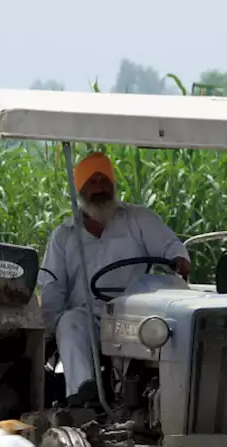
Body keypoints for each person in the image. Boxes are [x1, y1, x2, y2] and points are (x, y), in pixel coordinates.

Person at [37, 151, 191, 407]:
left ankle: (164, 402)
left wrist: (179, 259)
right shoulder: (63, 236)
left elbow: (172, 248)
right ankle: (84, 398)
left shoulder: (139, 219)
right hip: (89, 319)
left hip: (134, 317)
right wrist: (50, 337)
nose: (98, 188)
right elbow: (53, 290)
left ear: (113, 183)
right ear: (80, 190)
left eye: (103, 180)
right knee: (69, 321)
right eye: (91, 183)